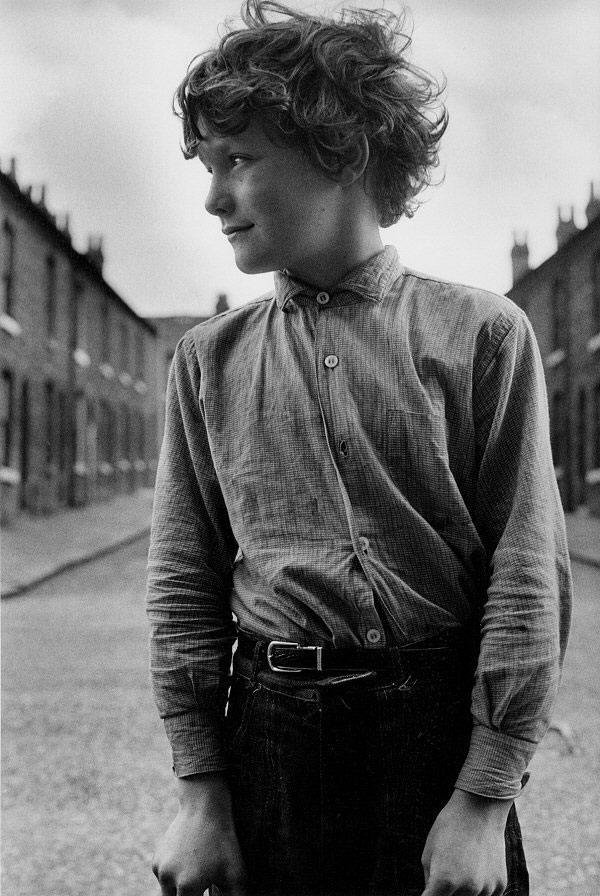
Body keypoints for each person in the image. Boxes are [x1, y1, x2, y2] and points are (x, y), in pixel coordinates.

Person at [146, 2, 572, 894]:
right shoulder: (205, 362)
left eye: (239, 161)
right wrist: (202, 792)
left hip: (435, 745)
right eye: (209, 165)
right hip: (271, 741)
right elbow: (185, 585)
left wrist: (485, 800)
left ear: (340, 151)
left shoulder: (484, 336)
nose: (214, 196)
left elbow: (527, 571)